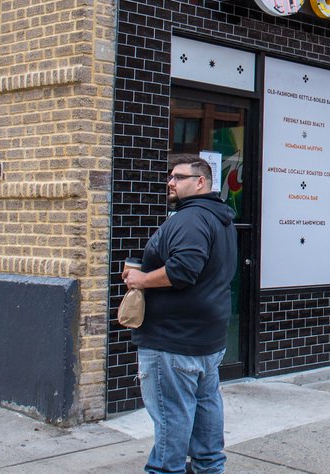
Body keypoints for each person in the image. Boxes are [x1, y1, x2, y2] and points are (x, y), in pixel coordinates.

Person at [122, 155, 238, 474]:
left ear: (200, 182)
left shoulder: (190, 219)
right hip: (206, 339)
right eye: (170, 177)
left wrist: (141, 279)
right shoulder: (220, 218)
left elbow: (183, 270)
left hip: (173, 341)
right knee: (205, 411)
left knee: (172, 417)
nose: (170, 183)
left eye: (178, 177)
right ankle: (209, 468)